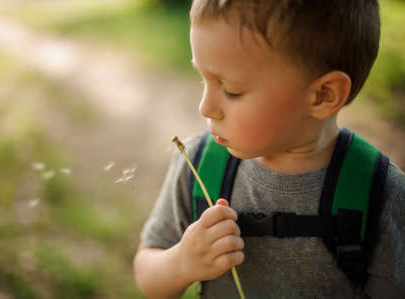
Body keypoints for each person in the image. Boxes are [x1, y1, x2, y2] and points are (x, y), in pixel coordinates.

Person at [133, 0, 405, 298]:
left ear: (323, 96)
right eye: (203, 79)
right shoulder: (199, 166)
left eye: (232, 90)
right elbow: (148, 273)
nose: (205, 107)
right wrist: (181, 264)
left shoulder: (379, 193)